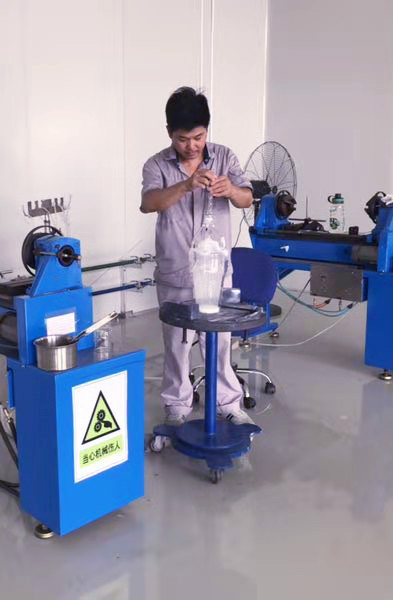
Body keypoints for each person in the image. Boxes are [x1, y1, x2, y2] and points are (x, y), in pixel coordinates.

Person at [140, 87, 255, 426]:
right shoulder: (156, 165)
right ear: (169, 132)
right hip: (175, 270)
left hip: (216, 271)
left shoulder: (224, 157)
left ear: (207, 130)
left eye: (198, 137)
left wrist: (230, 190)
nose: (191, 146)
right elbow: (148, 203)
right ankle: (177, 408)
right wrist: (186, 185)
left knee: (219, 342)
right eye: (182, 139)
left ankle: (228, 404)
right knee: (177, 345)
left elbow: (247, 199)